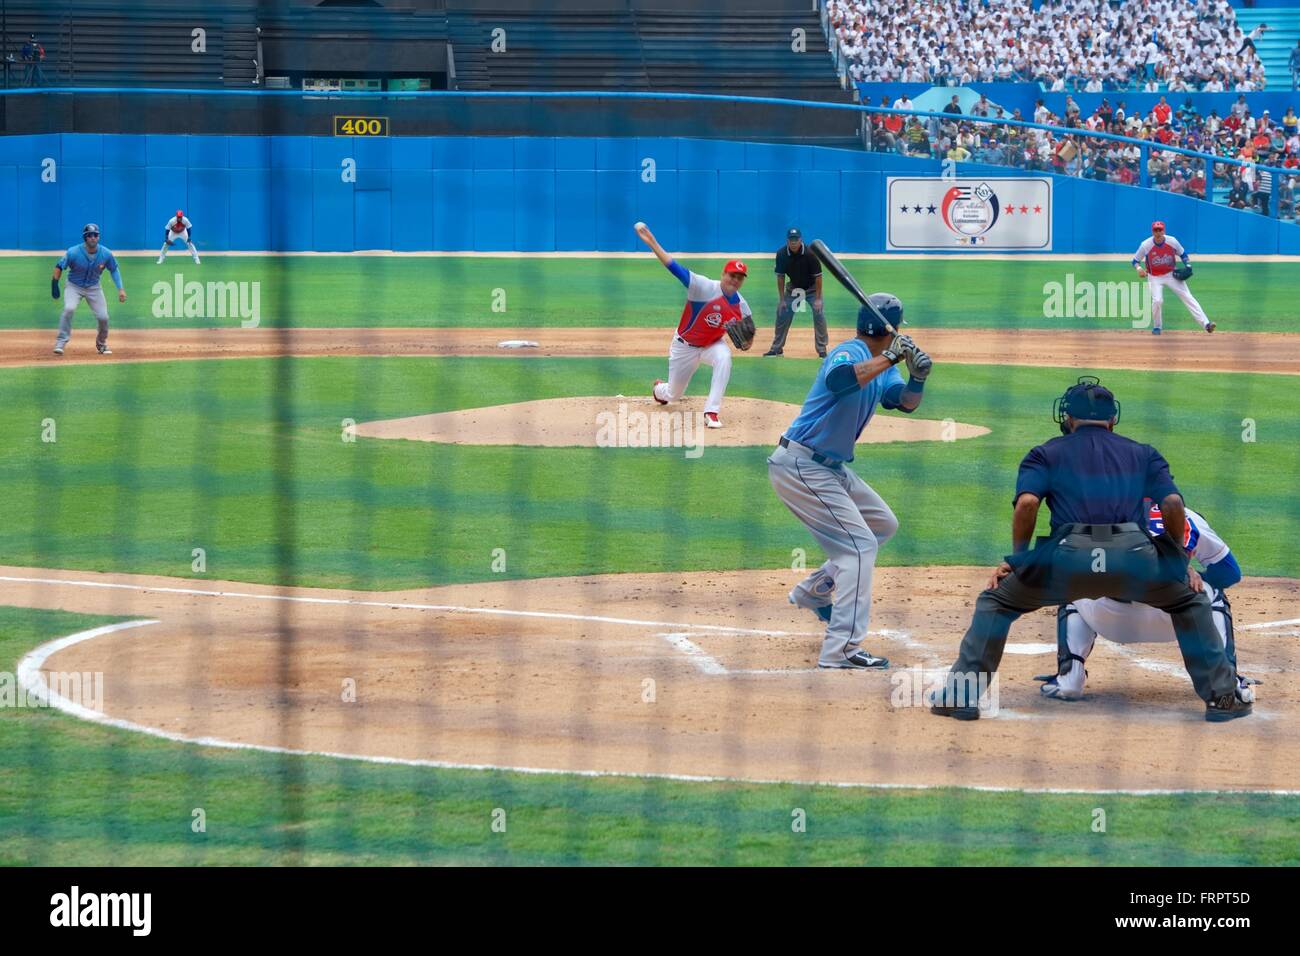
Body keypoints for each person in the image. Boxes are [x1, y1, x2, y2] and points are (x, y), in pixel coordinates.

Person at [930, 376, 1252, 722]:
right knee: (1190, 600)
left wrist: (1020, 560)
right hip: (1135, 557)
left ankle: (961, 696)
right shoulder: (1143, 453)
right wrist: (1174, 558)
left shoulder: (1045, 453)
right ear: (1112, 419)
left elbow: (1026, 506)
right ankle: (1222, 698)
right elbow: (1172, 503)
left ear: (1068, 419)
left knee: (996, 602)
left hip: (1068, 557)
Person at [769, 295, 930, 670]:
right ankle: (840, 649)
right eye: (898, 330)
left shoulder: (882, 367)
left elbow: (904, 402)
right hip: (801, 465)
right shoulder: (848, 351)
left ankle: (814, 591)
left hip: (831, 469)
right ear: (889, 331)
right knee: (858, 548)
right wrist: (892, 357)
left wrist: (918, 377)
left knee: (882, 525)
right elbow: (841, 382)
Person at [1043, 503, 1255, 703]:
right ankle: (1227, 682)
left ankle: (1069, 676)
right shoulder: (1186, 516)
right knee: (1214, 593)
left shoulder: (1096, 517)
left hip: (1109, 621)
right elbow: (1230, 573)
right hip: (1176, 619)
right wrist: (1190, 574)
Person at [637, 222, 752, 429]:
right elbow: (674, 267)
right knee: (674, 394)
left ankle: (712, 412)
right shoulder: (703, 287)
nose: (735, 280)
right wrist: (652, 242)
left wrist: (746, 342)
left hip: (711, 345)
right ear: (723, 275)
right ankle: (658, 390)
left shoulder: (741, 306)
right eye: (732, 275)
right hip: (684, 346)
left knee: (724, 357)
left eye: (740, 278)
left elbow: (747, 339)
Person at [51, 224, 125, 356]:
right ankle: (61, 342)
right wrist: (54, 284)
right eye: (89, 235)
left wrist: (120, 289)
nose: (93, 238)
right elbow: (59, 266)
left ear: (99, 237)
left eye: (95, 235)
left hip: (94, 287)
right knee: (69, 308)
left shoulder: (105, 253)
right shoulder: (73, 252)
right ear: (85, 237)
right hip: (74, 286)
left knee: (103, 317)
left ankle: (101, 344)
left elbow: (114, 269)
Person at [1133, 221, 1214, 333]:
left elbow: (1183, 254)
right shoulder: (1146, 245)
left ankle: (1206, 324)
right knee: (1157, 301)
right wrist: (1139, 269)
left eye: (1160, 229)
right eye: (1156, 230)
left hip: (1171, 274)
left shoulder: (1172, 241)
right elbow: (1135, 261)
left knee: (1187, 297)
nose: (1158, 232)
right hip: (1154, 277)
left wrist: (1188, 265)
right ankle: (1157, 326)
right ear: (1152, 232)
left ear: (1164, 230)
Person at [764, 228, 827, 359]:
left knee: (819, 314)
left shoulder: (810, 254)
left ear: (801, 240)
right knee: (782, 313)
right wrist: (781, 300)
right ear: (787, 240)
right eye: (791, 240)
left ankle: (822, 350)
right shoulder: (781, 254)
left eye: (796, 239)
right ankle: (777, 349)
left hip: (812, 288)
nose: (793, 242)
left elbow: (818, 277)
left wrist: (818, 299)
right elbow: (780, 277)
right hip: (793, 289)